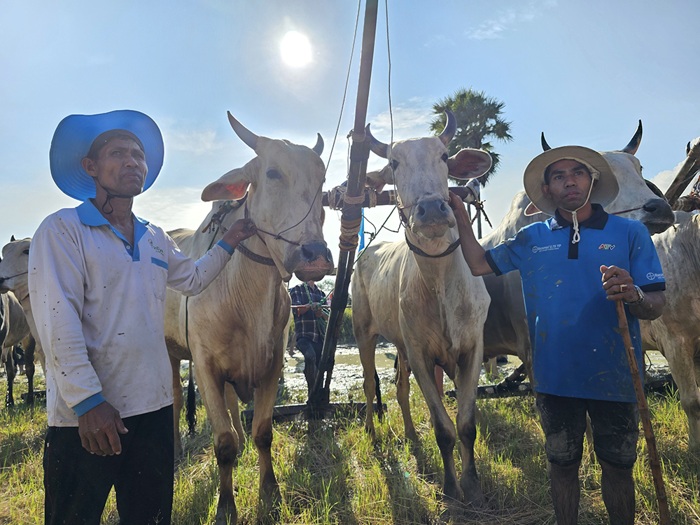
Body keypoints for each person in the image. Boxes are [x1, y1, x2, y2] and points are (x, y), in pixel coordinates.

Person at [29, 110, 257, 525]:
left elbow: (191, 279)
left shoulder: (154, 236)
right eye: (118, 153)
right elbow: (57, 320)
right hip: (87, 420)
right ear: (91, 167)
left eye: (138, 154)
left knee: (149, 518)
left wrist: (229, 240)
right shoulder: (63, 230)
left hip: (152, 413)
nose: (133, 161)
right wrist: (87, 402)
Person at [449, 145, 666, 525]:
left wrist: (633, 294)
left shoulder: (630, 234)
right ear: (547, 189)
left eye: (578, 172)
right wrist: (461, 218)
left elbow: (656, 302)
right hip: (553, 379)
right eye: (559, 176)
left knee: (618, 468)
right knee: (562, 466)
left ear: (592, 180)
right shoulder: (531, 238)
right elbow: (479, 263)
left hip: (616, 377)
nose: (570, 180)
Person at [289, 280, 329, 397]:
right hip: (304, 336)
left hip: (319, 337)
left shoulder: (321, 293)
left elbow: (328, 316)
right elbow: (297, 310)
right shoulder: (297, 289)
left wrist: (320, 313)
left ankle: (319, 395)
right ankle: (312, 394)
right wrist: (310, 306)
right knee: (310, 356)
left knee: (322, 364)